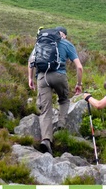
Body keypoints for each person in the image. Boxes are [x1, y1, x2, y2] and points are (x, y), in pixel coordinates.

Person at [27, 26, 83, 154]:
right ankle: (61, 125)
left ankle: (46, 140)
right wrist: (79, 84)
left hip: (42, 77)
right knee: (63, 100)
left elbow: (31, 61)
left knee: (45, 110)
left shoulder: (41, 42)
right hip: (59, 76)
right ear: (64, 35)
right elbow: (79, 67)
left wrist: (30, 78)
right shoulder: (67, 44)